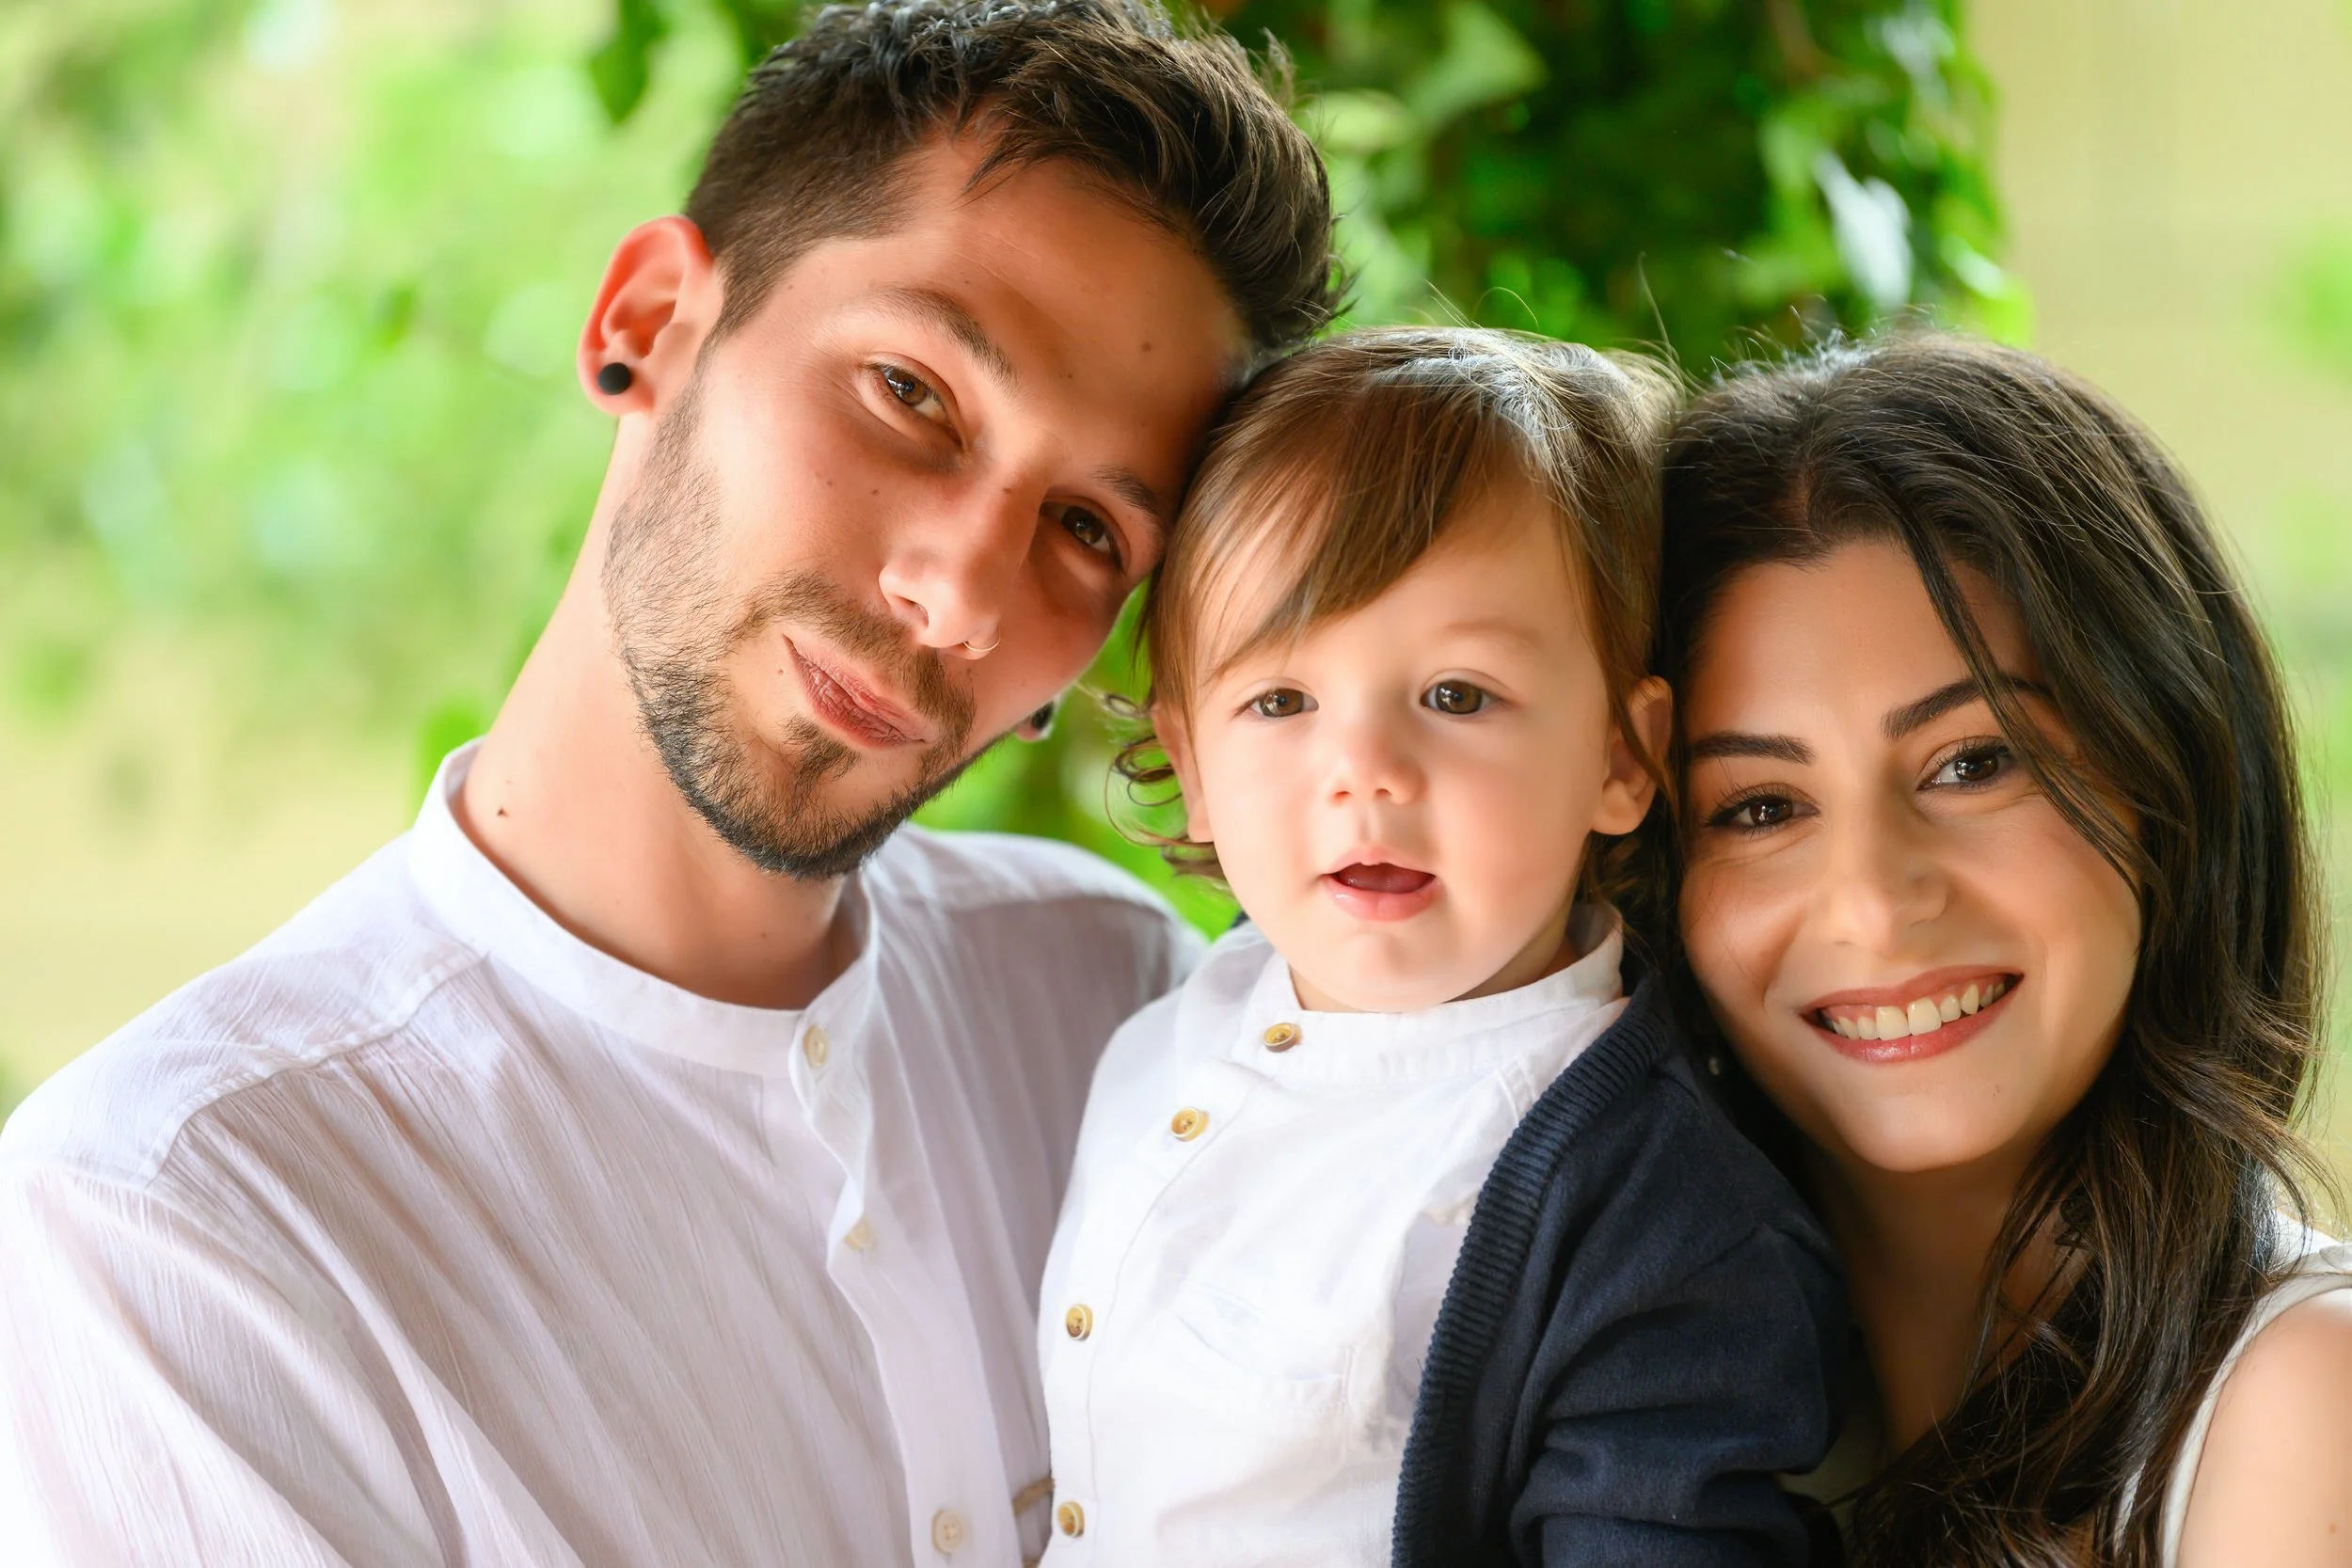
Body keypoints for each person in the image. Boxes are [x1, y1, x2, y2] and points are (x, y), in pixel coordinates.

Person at [0, 4, 1337, 1563]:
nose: (961, 592)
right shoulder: (177, 1217)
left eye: (1090, 529)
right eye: (914, 392)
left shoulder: (1113, 1007)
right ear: (647, 319)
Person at [1034, 327, 1847, 1567]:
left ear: (1621, 756)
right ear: (1192, 763)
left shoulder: (1657, 1216)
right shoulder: (1172, 1022)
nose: (1364, 772)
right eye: (1282, 701)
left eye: (1458, 694)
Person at [1655, 334, 2352, 1566]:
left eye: (1974, 762)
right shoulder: (1655, 1420)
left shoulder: (2304, 1401)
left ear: (2175, 775)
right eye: (1759, 807)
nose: (1872, 902)